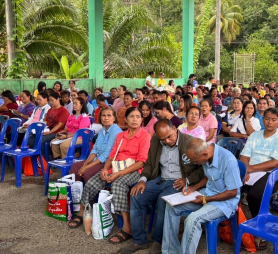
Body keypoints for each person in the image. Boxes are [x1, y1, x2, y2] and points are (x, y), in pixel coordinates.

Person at [120, 119, 204, 254]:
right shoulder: (155, 141)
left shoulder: (190, 142)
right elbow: (148, 164)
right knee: (136, 195)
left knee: (163, 200)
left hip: (179, 182)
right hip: (161, 179)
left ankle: (158, 241)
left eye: (169, 136)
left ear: (175, 129)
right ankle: (139, 240)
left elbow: (202, 169)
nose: (167, 141)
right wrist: (142, 180)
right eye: (163, 139)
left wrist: (187, 180)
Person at [69, 107, 151, 244]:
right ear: (126, 119)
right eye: (132, 116)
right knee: (93, 182)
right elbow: (112, 156)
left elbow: (141, 162)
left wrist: (118, 173)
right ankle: (81, 212)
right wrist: (106, 169)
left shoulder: (145, 136)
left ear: (142, 119)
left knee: (118, 184)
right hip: (116, 167)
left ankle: (127, 227)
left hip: (134, 170)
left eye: (138, 117)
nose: (135, 119)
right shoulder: (121, 135)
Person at [160, 138, 242, 254]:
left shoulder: (228, 160)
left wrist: (205, 199)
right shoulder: (206, 155)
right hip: (207, 194)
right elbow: (208, 176)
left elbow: (233, 192)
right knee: (172, 207)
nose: (194, 163)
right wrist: (194, 188)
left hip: (225, 203)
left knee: (193, 219)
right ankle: (170, 251)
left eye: (195, 160)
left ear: (205, 154)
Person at [240, 108, 278, 249]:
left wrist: (251, 169)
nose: (270, 122)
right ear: (263, 119)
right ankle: (234, 224)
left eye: (274, 119)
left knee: (255, 194)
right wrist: (245, 170)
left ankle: (259, 230)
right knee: (232, 188)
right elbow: (244, 155)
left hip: (274, 174)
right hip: (252, 171)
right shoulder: (255, 136)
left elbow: (276, 162)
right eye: (267, 118)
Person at [69, 107, 122, 182]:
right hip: (97, 160)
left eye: (109, 115)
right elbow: (95, 150)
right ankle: (77, 190)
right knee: (75, 167)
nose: (106, 118)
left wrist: (87, 167)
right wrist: (85, 164)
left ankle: (88, 193)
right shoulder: (102, 130)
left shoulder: (115, 131)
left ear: (114, 118)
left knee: (88, 172)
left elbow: (106, 155)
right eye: (103, 115)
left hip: (107, 162)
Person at [27, 92, 70, 158]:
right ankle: (33, 157)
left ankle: (42, 159)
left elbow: (60, 125)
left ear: (58, 99)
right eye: (50, 101)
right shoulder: (50, 110)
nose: (51, 102)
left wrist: (49, 132)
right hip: (47, 130)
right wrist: (40, 129)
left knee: (39, 140)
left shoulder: (64, 110)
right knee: (29, 139)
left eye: (52, 100)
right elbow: (45, 121)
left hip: (56, 132)